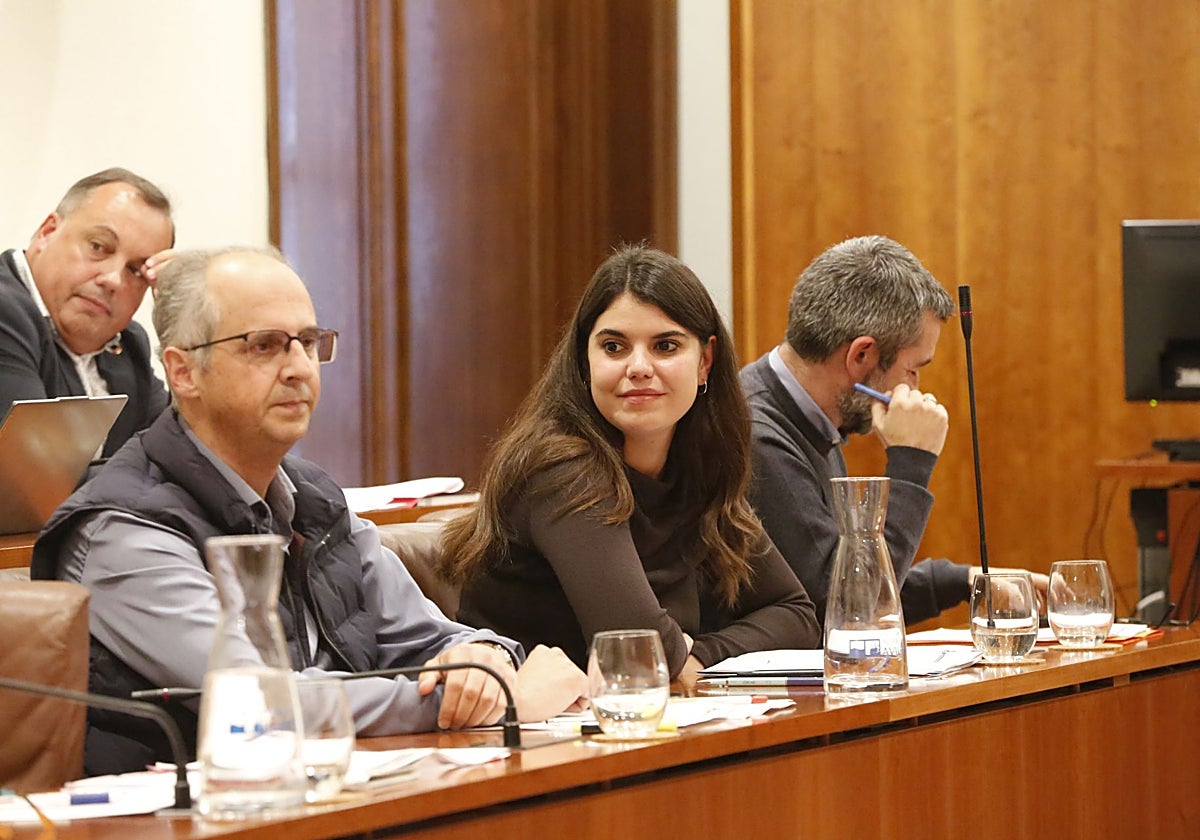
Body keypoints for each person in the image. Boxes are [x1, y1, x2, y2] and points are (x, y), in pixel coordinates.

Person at [32, 247, 587, 774]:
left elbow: (431, 636)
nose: (300, 367)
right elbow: (260, 706)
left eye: (308, 341)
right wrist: (479, 699)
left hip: (339, 789)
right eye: (265, 345)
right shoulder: (122, 528)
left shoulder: (314, 498)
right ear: (183, 372)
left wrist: (485, 659)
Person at [440, 244, 820, 681]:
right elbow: (638, 649)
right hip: (523, 733)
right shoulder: (561, 471)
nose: (639, 367)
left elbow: (796, 612)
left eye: (665, 346)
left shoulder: (694, 467)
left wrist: (701, 655)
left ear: (705, 362)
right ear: (585, 359)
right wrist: (679, 656)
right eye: (614, 346)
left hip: (630, 721)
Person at [740, 234, 1048, 626]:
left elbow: (848, 574)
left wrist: (961, 582)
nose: (914, 388)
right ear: (862, 355)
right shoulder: (758, 437)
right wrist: (911, 463)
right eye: (913, 369)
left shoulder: (809, 418)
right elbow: (850, 608)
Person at [0, 167, 176, 456]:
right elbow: (35, 479)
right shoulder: (6, 312)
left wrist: (182, 322)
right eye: (99, 247)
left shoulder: (128, 343)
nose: (113, 279)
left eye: (135, 270)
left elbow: (188, 460)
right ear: (47, 232)